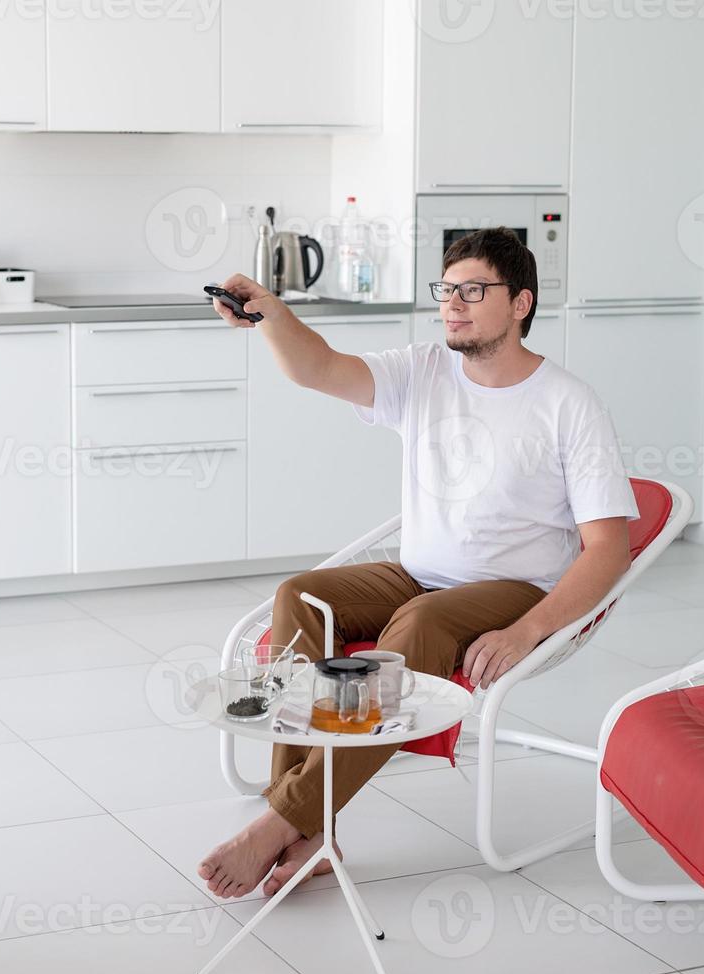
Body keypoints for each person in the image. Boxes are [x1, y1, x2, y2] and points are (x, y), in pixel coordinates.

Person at [197, 227, 638, 900]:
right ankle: (310, 826)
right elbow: (318, 367)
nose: (451, 304)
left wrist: (526, 630)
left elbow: (608, 547)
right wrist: (270, 314)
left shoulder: (567, 403)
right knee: (301, 595)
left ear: (519, 303)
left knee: (421, 624)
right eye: (445, 290)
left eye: (471, 290)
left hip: (514, 589)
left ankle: (280, 819)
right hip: (418, 570)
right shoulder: (422, 369)